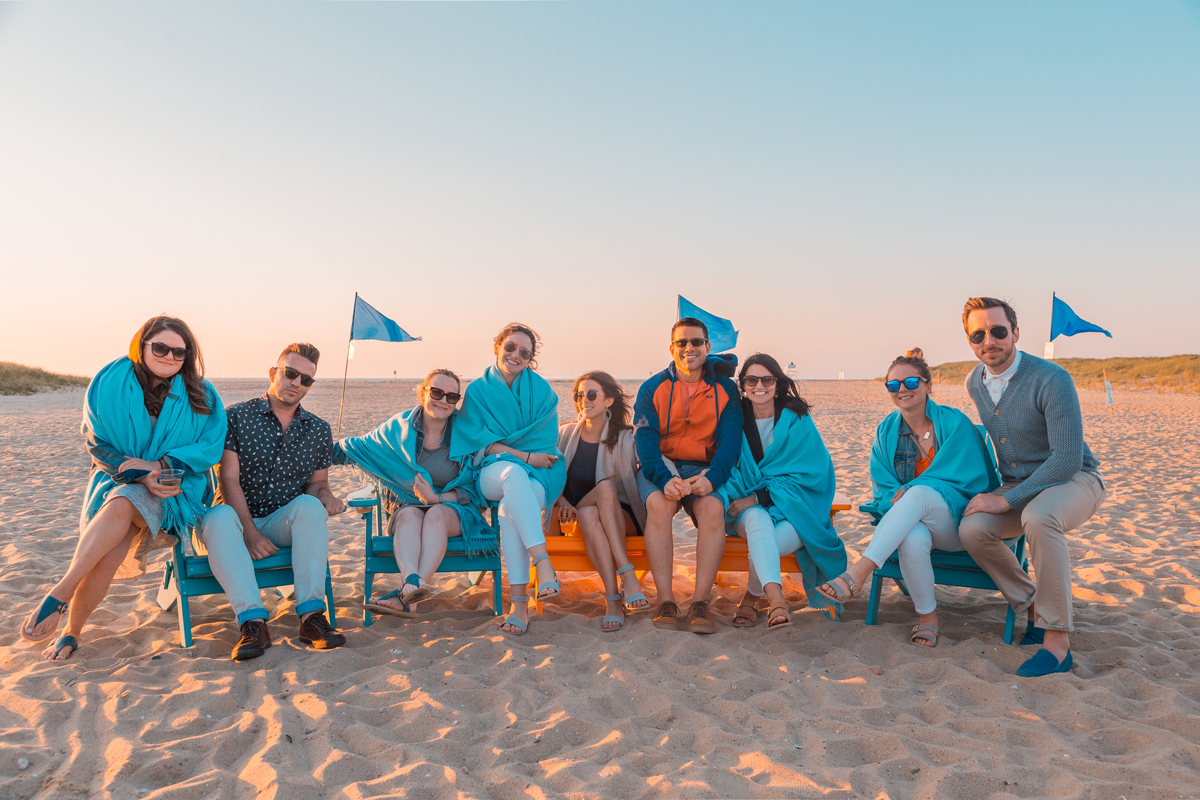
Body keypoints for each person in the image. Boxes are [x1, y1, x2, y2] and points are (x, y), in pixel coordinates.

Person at [19, 316, 226, 661]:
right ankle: (70, 632)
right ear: (141, 345)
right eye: (160, 348)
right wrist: (139, 476)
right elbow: (97, 443)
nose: (170, 357)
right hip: (120, 481)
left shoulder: (201, 392)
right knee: (111, 549)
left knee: (121, 506)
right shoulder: (110, 382)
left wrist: (159, 468)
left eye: (179, 352)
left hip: (177, 488)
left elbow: (210, 446)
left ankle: (62, 594)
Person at [957, 298, 1105, 677]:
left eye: (998, 331)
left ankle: (1057, 643)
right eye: (978, 334)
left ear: (1016, 333)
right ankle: (1034, 607)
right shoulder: (975, 382)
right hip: (1018, 485)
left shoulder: (1052, 379)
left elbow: (1067, 457)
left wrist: (1005, 498)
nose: (989, 340)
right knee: (972, 529)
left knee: (1040, 517)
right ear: (970, 341)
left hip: (1075, 479)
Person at [816, 348, 999, 647]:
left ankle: (859, 571)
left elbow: (975, 478)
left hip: (959, 524)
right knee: (912, 536)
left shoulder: (955, 424)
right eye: (893, 385)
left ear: (928, 385)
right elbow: (884, 486)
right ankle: (928, 618)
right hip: (917, 522)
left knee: (921, 492)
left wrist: (916, 487)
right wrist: (896, 495)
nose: (902, 390)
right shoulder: (887, 431)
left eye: (911, 382)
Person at [196, 343, 347, 661]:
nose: (297, 383)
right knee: (217, 516)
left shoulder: (318, 430)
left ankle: (311, 619)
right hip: (236, 525)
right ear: (273, 373)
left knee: (309, 505)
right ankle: (252, 623)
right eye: (291, 373)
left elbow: (318, 484)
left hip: (281, 524)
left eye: (306, 380)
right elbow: (228, 480)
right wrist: (249, 532)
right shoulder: (236, 417)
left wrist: (328, 498)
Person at [335, 369, 490, 617]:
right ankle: (412, 586)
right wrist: (314, 454)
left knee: (436, 514)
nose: (443, 401)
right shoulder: (398, 428)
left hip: (455, 509)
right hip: (407, 505)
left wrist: (436, 498)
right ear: (422, 393)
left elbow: (476, 487)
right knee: (408, 516)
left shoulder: (467, 433)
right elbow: (358, 448)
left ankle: (408, 591)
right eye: (437, 392)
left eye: (452, 397)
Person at [451, 323, 567, 636]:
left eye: (525, 352)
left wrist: (528, 458)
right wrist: (523, 456)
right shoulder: (478, 390)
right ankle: (543, 563)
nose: (516, 355)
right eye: (511, 347)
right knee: (512, 471)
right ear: (497, 347)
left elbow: (544, 442)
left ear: (531, 359)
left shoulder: (543, 392)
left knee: (507, 512)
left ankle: (518, 605)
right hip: (490, 469)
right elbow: (478, 443)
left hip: (542, 472)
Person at [719, 354, 847, 631]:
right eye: (751, 379)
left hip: (796, 511)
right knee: (755, 518)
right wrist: (750, 501)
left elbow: (813, 473)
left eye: (767, 379)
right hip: (745, 509)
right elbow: (726, 467)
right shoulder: (734, 420)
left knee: (763, 542)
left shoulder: (796, 419)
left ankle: (752, 596)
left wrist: (759, 497)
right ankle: (776, 600)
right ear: (742, 384)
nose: (759, 385)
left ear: (777, 383)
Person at [633, 317, 743, 634]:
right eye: (682, 342)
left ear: (708, 347)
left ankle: (700, 602)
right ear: (672, 348)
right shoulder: (652, 387)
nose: (689, 348)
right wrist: (664, 479)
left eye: (696, 342)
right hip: (661, 466)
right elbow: (645, 441)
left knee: (711, 509)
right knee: (658, 505)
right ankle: (665, 600)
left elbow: (730, 441)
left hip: (704, 467)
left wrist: (713, 478)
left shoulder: (725, 389)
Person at [554, 371, 649, 631]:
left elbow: (652, 462)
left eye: (592, 394)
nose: (584, 399)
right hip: (574, 513)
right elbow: (547, 474)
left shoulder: (627, 437)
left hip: (621, 516)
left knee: (604, 491)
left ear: (608, 401)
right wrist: (560, 499)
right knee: (587, 512)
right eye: (579, 395)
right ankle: (615, 597)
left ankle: (624, 579)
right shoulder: (565, 435)